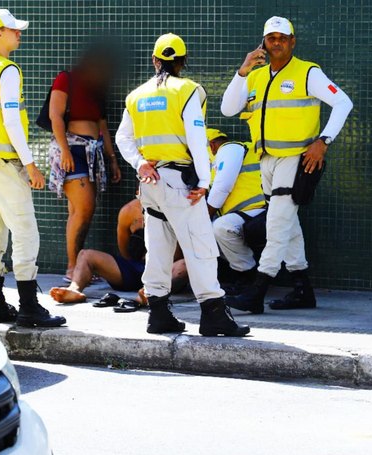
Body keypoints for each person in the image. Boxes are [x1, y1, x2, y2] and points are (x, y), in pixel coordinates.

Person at [115, 33, 249, 337]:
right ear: (182, 62)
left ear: (155, 60)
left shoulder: (136, 95)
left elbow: (123, 137)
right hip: (181, 184)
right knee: (200, 247)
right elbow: (197, 139)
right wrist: (204, 181)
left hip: (151, 184)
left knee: (158, 247)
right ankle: (213, 314)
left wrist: (140, 163)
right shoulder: (188, 90)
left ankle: (158, 314)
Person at [221, 16, 353, 314]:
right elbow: (228, 109)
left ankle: (257, 292)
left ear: (292, 41)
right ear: (264, 43)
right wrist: (242, 71)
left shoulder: (308, 72)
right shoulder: (254, 76)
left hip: (296, 160)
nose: (277, 42)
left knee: (277, 225)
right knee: (288, 223)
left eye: (282, 37)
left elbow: (343, 102)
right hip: (267, 161)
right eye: (271, 38)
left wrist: (323, 141)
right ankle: (303, 289)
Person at [0, 9, 65, 328]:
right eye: (13, 29)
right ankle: (29, 306)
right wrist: (31, 165)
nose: (19, 34)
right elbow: (11, 121)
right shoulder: (6, 70)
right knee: (25, 232)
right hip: (5, 164)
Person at [47, 50, 122, 280]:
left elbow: (102, 125)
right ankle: (72, 267)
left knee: (79, 211)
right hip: (71, 148)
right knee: (84, 208)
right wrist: (66, 151)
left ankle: (80, 266)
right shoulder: (66, 79)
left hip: (93, 151)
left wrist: (112, 159)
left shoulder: (98, 90)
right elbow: (55, 116)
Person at [49, 198, 188, 304]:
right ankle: (75, 289)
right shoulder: (128, 211)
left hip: (165, 273)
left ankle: (152, 293)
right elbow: (124, 250)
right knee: (86, 255)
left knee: (185, 265)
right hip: (134, 269)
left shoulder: (177, 211)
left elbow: (182, 253)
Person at [206, 128, 266, 293]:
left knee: (220, 227)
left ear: (211, 145)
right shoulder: (217, 162)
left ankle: (248, 276)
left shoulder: (229, 149)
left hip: (259, 211)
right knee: (207, 233)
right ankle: (232, 276)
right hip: (244, 215)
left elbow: (222, 187)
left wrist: (205, 217)